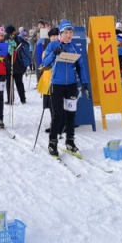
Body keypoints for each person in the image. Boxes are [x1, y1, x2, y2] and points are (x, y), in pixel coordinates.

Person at [42, 19, 90, 156]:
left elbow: (80, 66)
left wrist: (84, 83)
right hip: (57, 84)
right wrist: (54, 53)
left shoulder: (74, 47)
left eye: (71, 32)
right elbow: (45, 62)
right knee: (57, 115)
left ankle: (70, 141)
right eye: (66, 32)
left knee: (70, 114)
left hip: (71, 85)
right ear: (61, 33)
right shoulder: (53, 45)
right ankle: (52, 143)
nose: (69, 35)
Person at [4, 24, 27, 105]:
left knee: (9, 83)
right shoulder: (19, 38)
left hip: (9, 63)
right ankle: (23, 98)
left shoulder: (6, 38)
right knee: (19, 82)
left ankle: (10, 99)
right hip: (19, 64)